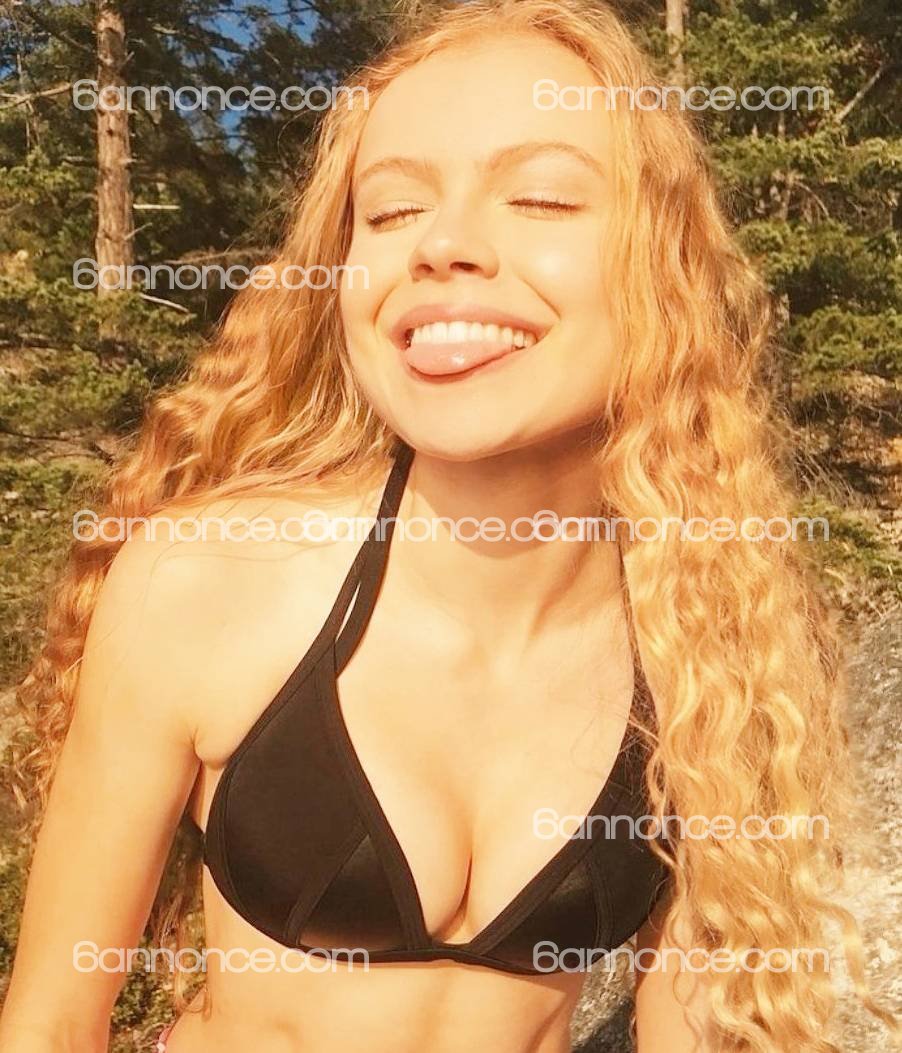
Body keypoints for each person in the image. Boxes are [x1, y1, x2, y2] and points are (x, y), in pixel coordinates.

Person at [0, 1, 896, 1051]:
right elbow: (51, 1021)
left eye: (540, 197)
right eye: (390, 212)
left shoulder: (709, 642)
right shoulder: (208, 582)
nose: (442, 244)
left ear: (665, 268)